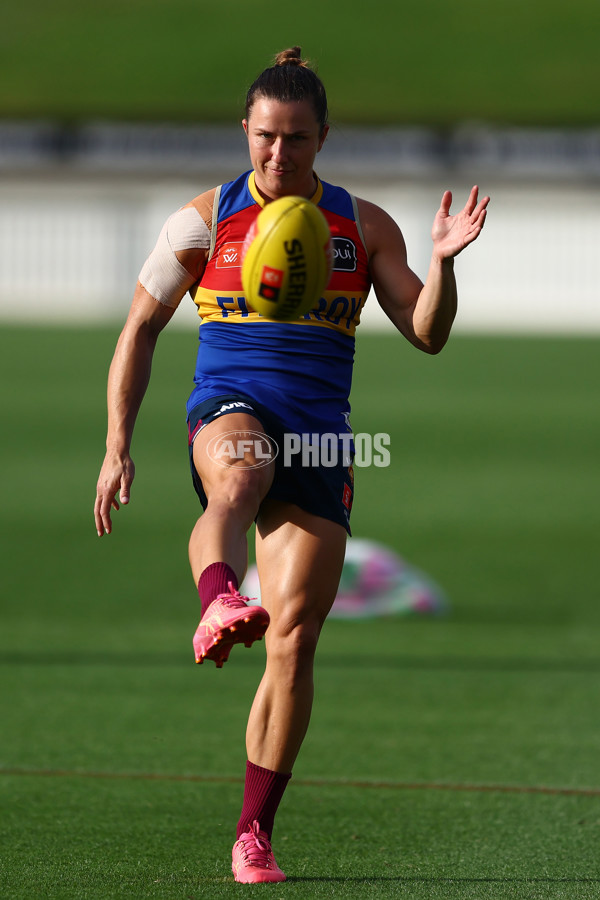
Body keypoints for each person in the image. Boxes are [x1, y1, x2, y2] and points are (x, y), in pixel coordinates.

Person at [94, 47, 489, 883]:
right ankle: (216, 599)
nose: (279, 155)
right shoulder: (202, 221)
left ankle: (253, 833)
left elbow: (428, 330)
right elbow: (138, 331)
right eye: (266, 137)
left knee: (296, 641)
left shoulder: (361, 224)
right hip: (231, 408)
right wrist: (116, 444)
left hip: (321, 435)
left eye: (298, 140)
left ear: (324, 138)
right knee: (237, 477)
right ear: (245, 129)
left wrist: (445, 264)